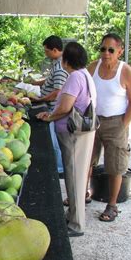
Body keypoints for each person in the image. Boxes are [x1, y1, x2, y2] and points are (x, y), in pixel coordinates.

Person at [37, 42, 97, 237]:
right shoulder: (86, 75)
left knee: (74, 178)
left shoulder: (74, 78)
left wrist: (50, 117)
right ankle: (72, 215)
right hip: (82, 133)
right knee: (76, 176)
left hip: (72, 134)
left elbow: (64, 107)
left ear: (67, 60)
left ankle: (77, 224)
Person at [88, 33, 131, 222]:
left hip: (116, 122)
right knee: (87, 160)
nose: (106, 53)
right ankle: (84, 193)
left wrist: (122, 125)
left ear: (120, 51)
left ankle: (112, 205)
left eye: (111, 50)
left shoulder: (126, 71)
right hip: (93, 121)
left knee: (115, 166)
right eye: (103, 49)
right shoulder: (93, 67)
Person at [30, 35, 68, 176]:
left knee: (54, 140)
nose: (45, 54)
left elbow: (58, 91)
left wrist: (40, 99)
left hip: (53, 107)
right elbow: (50, 80)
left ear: (54, 50)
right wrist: (36, 83)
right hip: (50, 105)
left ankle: (59, 169)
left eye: (46, 51)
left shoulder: (59, 67)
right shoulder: (59, 63)